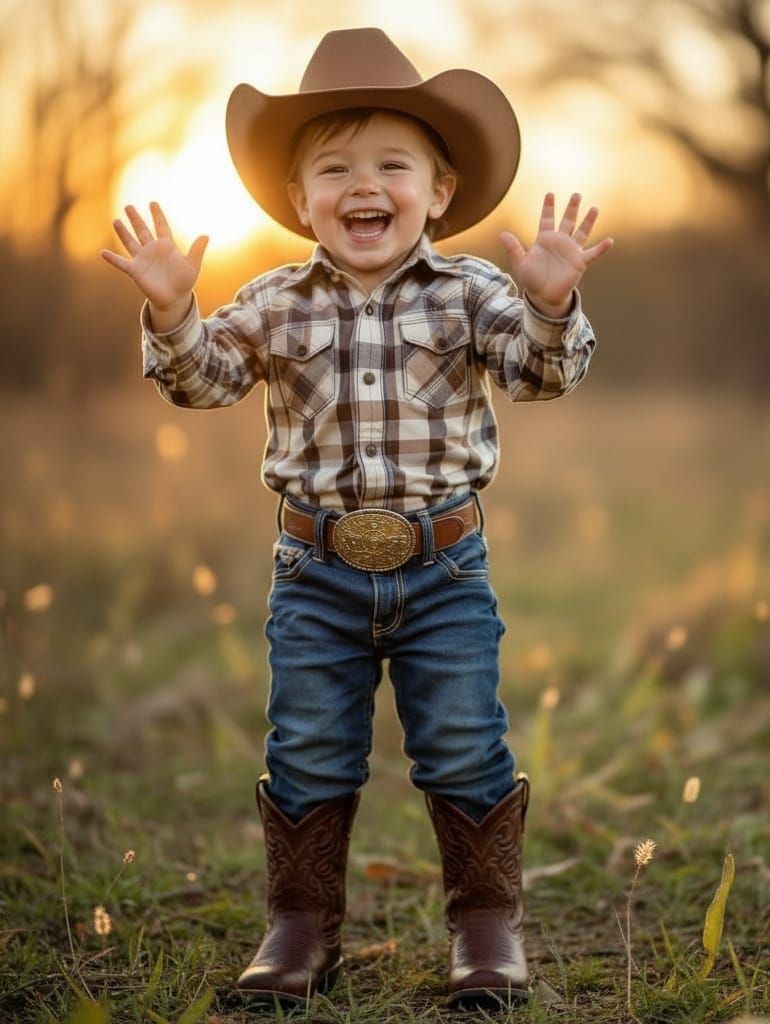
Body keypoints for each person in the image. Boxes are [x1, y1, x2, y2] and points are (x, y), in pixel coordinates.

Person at [101, 27, 612, 1009]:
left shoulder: (474, 294)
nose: (361, 185)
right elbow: (201, 384)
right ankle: (299, 928)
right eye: (332, 168)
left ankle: (484, 929)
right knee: (306, 746)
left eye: (391, 164)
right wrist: (173, 316)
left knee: (463, 740)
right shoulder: (273, 300)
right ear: (299, 200)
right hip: (316, 574)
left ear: (441, 189)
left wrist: (553, 306)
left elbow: (540, 376)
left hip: (444, 570)